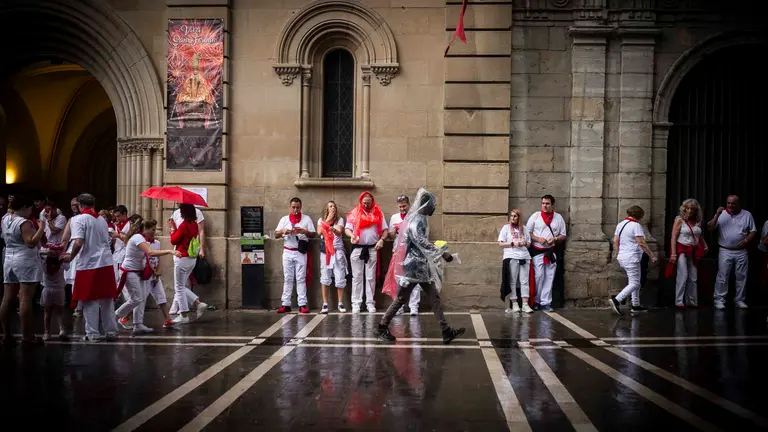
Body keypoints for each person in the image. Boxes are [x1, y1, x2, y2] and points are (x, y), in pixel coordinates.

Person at [378, 188, 465, 344]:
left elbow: (422, 242)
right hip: (413, 267)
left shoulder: (420, 218)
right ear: (425, 204)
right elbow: (420, 241)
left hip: (420, 267)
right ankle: (382, 326)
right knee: (401, 299)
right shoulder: (417, 219)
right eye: (432, 205)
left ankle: (445, 331)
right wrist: (441, 253)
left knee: (433, 297)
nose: (434, 208)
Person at [59, 193, 119, 342]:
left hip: (89, 264)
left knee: (89, 299)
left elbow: (78, 242)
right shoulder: (102, 220)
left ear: (79, 205)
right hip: (106, 262)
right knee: (106, 299)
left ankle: (92, 333)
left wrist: (70, 256)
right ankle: (111, 332)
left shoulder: (78, 220)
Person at [115, 218, 180, 334]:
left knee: (140, 299)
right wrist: (170, 251)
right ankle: (116, 315)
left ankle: (138, 324)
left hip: (138, 272)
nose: (153, 232)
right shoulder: (138, 238)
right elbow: (150, 252)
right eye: (152, 229)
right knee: (137, 298)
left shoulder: (141, 238)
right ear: (144, 229)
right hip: (130, 272)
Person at [0, 195, 46, 346]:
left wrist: (11, 201)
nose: (31, 211)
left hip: (9, 258)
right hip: (24, 259)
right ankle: (27, 336)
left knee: (8, 297)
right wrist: (41, 228)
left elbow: (9, 209)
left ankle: (6, 334)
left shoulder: (6, 218)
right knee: (25, 298)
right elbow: (30, 242)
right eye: (30, 208)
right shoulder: (24, 222)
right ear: (24, 207)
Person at [707, 195, 756, 309]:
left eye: (733, 203)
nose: (730, 205)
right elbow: (710, 228)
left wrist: (746, 240)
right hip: (725, 250)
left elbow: (753, 231)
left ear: (738, 204)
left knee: (741, 276)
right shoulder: (722, 214)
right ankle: (719, 300)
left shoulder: (747, 214)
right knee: (723, 276)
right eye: (728, 203)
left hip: (741, 251)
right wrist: (717, 215)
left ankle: (739, 300)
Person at [610, 206, 657, 315]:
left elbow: (616, 241)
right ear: (640, 216)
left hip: (623, 257)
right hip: (632, 257)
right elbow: (641, 243)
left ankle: (636, 305)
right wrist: (652, 255)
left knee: (634, 281)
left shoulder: (620, 224)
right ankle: (616, 300)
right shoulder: (636, 226)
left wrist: (618, 253)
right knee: (635, 283)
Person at [345, 192, 388, 313]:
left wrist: (381, 240)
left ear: (372, 202)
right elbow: (347, 228)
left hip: (372, 248)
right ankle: (356, 303)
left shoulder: (378, 213)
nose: (366, 205)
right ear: (360, 202)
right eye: (364, 203)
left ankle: (370, 303)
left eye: (368, 203)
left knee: (370, 277)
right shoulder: (355, 213)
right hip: (357, 248)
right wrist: (352, 235)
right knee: (357, 277)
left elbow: (385, 230)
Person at [525, 195, 567, 312]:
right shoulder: (535, 216)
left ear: (552, 205)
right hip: (538, 251)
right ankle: (537, 301)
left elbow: (563, 235)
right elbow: (527, 232)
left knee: (549, 277)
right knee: (539, 276)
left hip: (550, 252)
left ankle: (546, 302)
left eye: (547, 203)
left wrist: (555, 239)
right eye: (543, 203)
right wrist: (538, 239)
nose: (545, 205)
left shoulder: (558, 218)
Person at [275, 197, 316, 314]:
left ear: (301, 207)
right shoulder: (284, 219)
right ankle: (285, 303)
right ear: (290, 207)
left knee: (300, 278)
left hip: (300, 251)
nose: (295, 210)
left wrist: (304, 232)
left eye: (297, 207)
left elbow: (313, 234)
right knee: (288, 278)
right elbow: (276, 234)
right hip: (288, 251)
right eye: (293, 207)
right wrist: (284, 231)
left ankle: (302, 304)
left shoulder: (306, 219)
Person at [169, 204, 208, 324]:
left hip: (182, 256)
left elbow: (173, 240)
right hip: (191, 258)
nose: (180, 213)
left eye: (181, 211)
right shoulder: (193, 224)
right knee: (181, 286)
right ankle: (198, 303)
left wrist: (172, 229)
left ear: (184, 212)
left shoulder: (184, 225)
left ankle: (184, 314)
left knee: (179, 287)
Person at [668, 199, 707, 309]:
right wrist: (674, 254)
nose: (689, 211)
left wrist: (704, 245)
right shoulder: (680, 220)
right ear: (684, 208)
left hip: (693, 250)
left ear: (696, 210)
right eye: (687, 208)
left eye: (692, 209)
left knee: (693, 277)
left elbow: (699, 235)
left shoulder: (698, 221)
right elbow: (674, 237)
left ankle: (692, 301)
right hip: (682, 250)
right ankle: (679, 301)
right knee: (683, 275)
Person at [389, 195, 420, 316]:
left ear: (409, 205)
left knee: (414, 279)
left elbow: (419, 234)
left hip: (412, 251)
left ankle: (414, 306)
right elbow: (391, 236)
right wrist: (394, 231)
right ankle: (399, 306)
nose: (402, 209)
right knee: (398, 280)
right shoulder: (394, 217)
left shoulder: (415, 216)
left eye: (404, 206)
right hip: (398, 251)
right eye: (400, 207)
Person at [498, 209, 534, 314]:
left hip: (524, 256)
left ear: (519, 218)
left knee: (524, 281)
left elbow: (529, 243)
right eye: (511, 216)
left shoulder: (524, 229)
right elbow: (500, 243)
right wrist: (513, 243)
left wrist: (524, 243)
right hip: (511, 256)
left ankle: (525, 304)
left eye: (515, 216)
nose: (512, 218)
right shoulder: (506, 228)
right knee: (513, 281)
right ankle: (514, 303)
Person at [144, 220, 177, 328]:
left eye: (155, 229)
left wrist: (157, 271)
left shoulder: (157, 243)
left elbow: (157, 258)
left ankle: (167, 319)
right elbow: (145, 258)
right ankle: (125, 317)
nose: (154, 232)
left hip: (154, 273)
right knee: (139, 299)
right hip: (146, 274)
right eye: (152, 230)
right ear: (146, 230)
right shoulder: (143, 243)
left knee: (161, 297)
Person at [317, 201, 347, 314]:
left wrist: (334, 230)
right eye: (330, 206)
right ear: (327, 209)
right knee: (325, 276)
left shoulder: (340, 220)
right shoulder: (321, 220)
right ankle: (325, 303)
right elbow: (319, 232)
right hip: (325, 252)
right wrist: (328, 219)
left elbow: (340, 233)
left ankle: (340, 303)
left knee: (340, 276)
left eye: (334, 206)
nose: (333, 207)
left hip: (337, 251)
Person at [39, 246, 69, 341]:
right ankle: (62, 330)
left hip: (47, 289)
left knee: (47, 313)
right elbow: (68, 263)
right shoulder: (62, 263)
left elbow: (37, 253)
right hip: (59, 289)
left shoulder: (44, 263)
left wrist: (47, 253)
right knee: (60, 312)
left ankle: (47, 333)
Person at [111, 205, 130, 283]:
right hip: (116, 254)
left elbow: (130, 240)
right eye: (116, 217)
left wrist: (119, 235)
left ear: (124, 214)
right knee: (115, 278)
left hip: (125, 254)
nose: (117, 218)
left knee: (123, 280)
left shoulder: (129, 225)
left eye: (118, 216)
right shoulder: (117, 225)